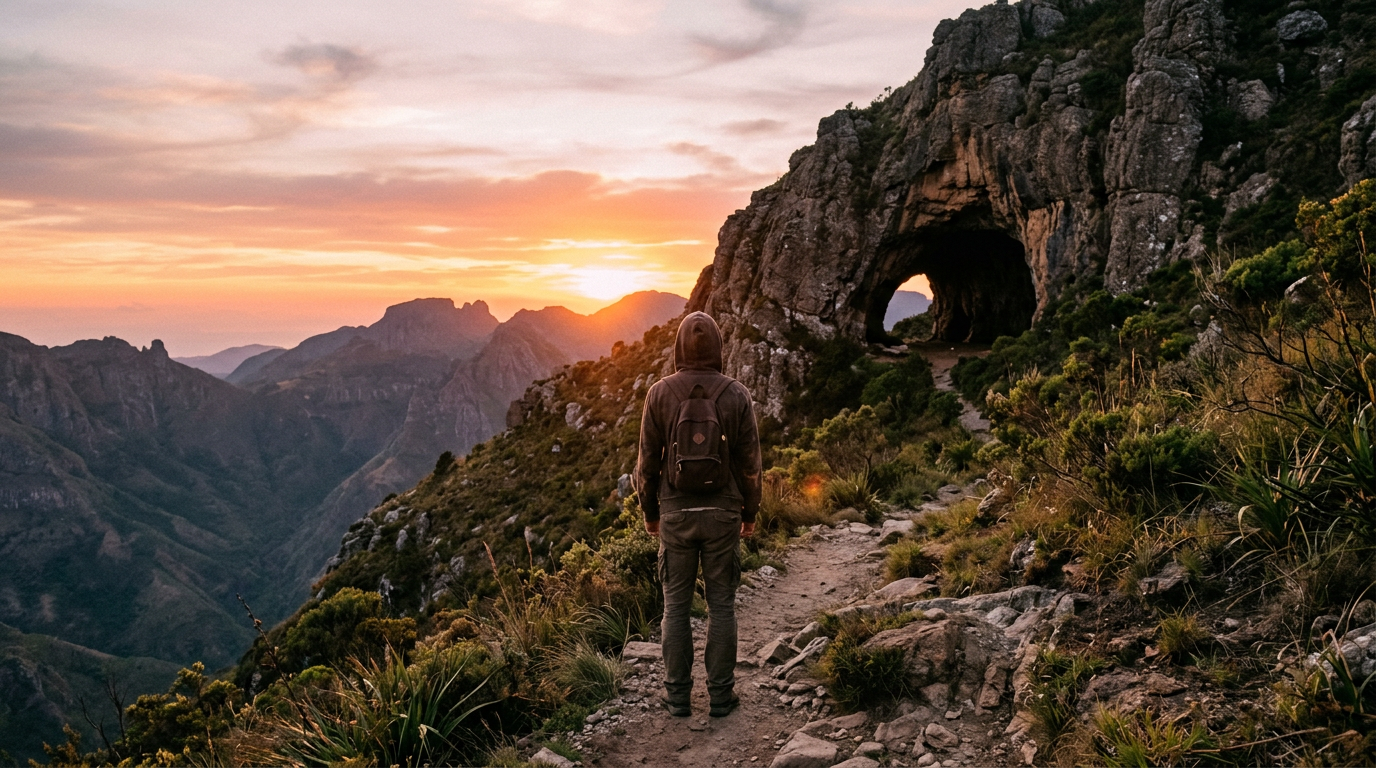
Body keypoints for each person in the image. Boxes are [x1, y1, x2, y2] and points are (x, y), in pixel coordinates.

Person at [635, 311, 762, 719]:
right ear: (719, 348)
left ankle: (677, 697)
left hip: (675, 514)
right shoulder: (736, 394)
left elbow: (646, 466)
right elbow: (750, 465)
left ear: (678, 348)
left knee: (675, 607)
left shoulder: (658, 394)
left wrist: (651, 513)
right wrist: (751, 513)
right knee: (721, 605)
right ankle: (721, 697)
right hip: (724, 512)